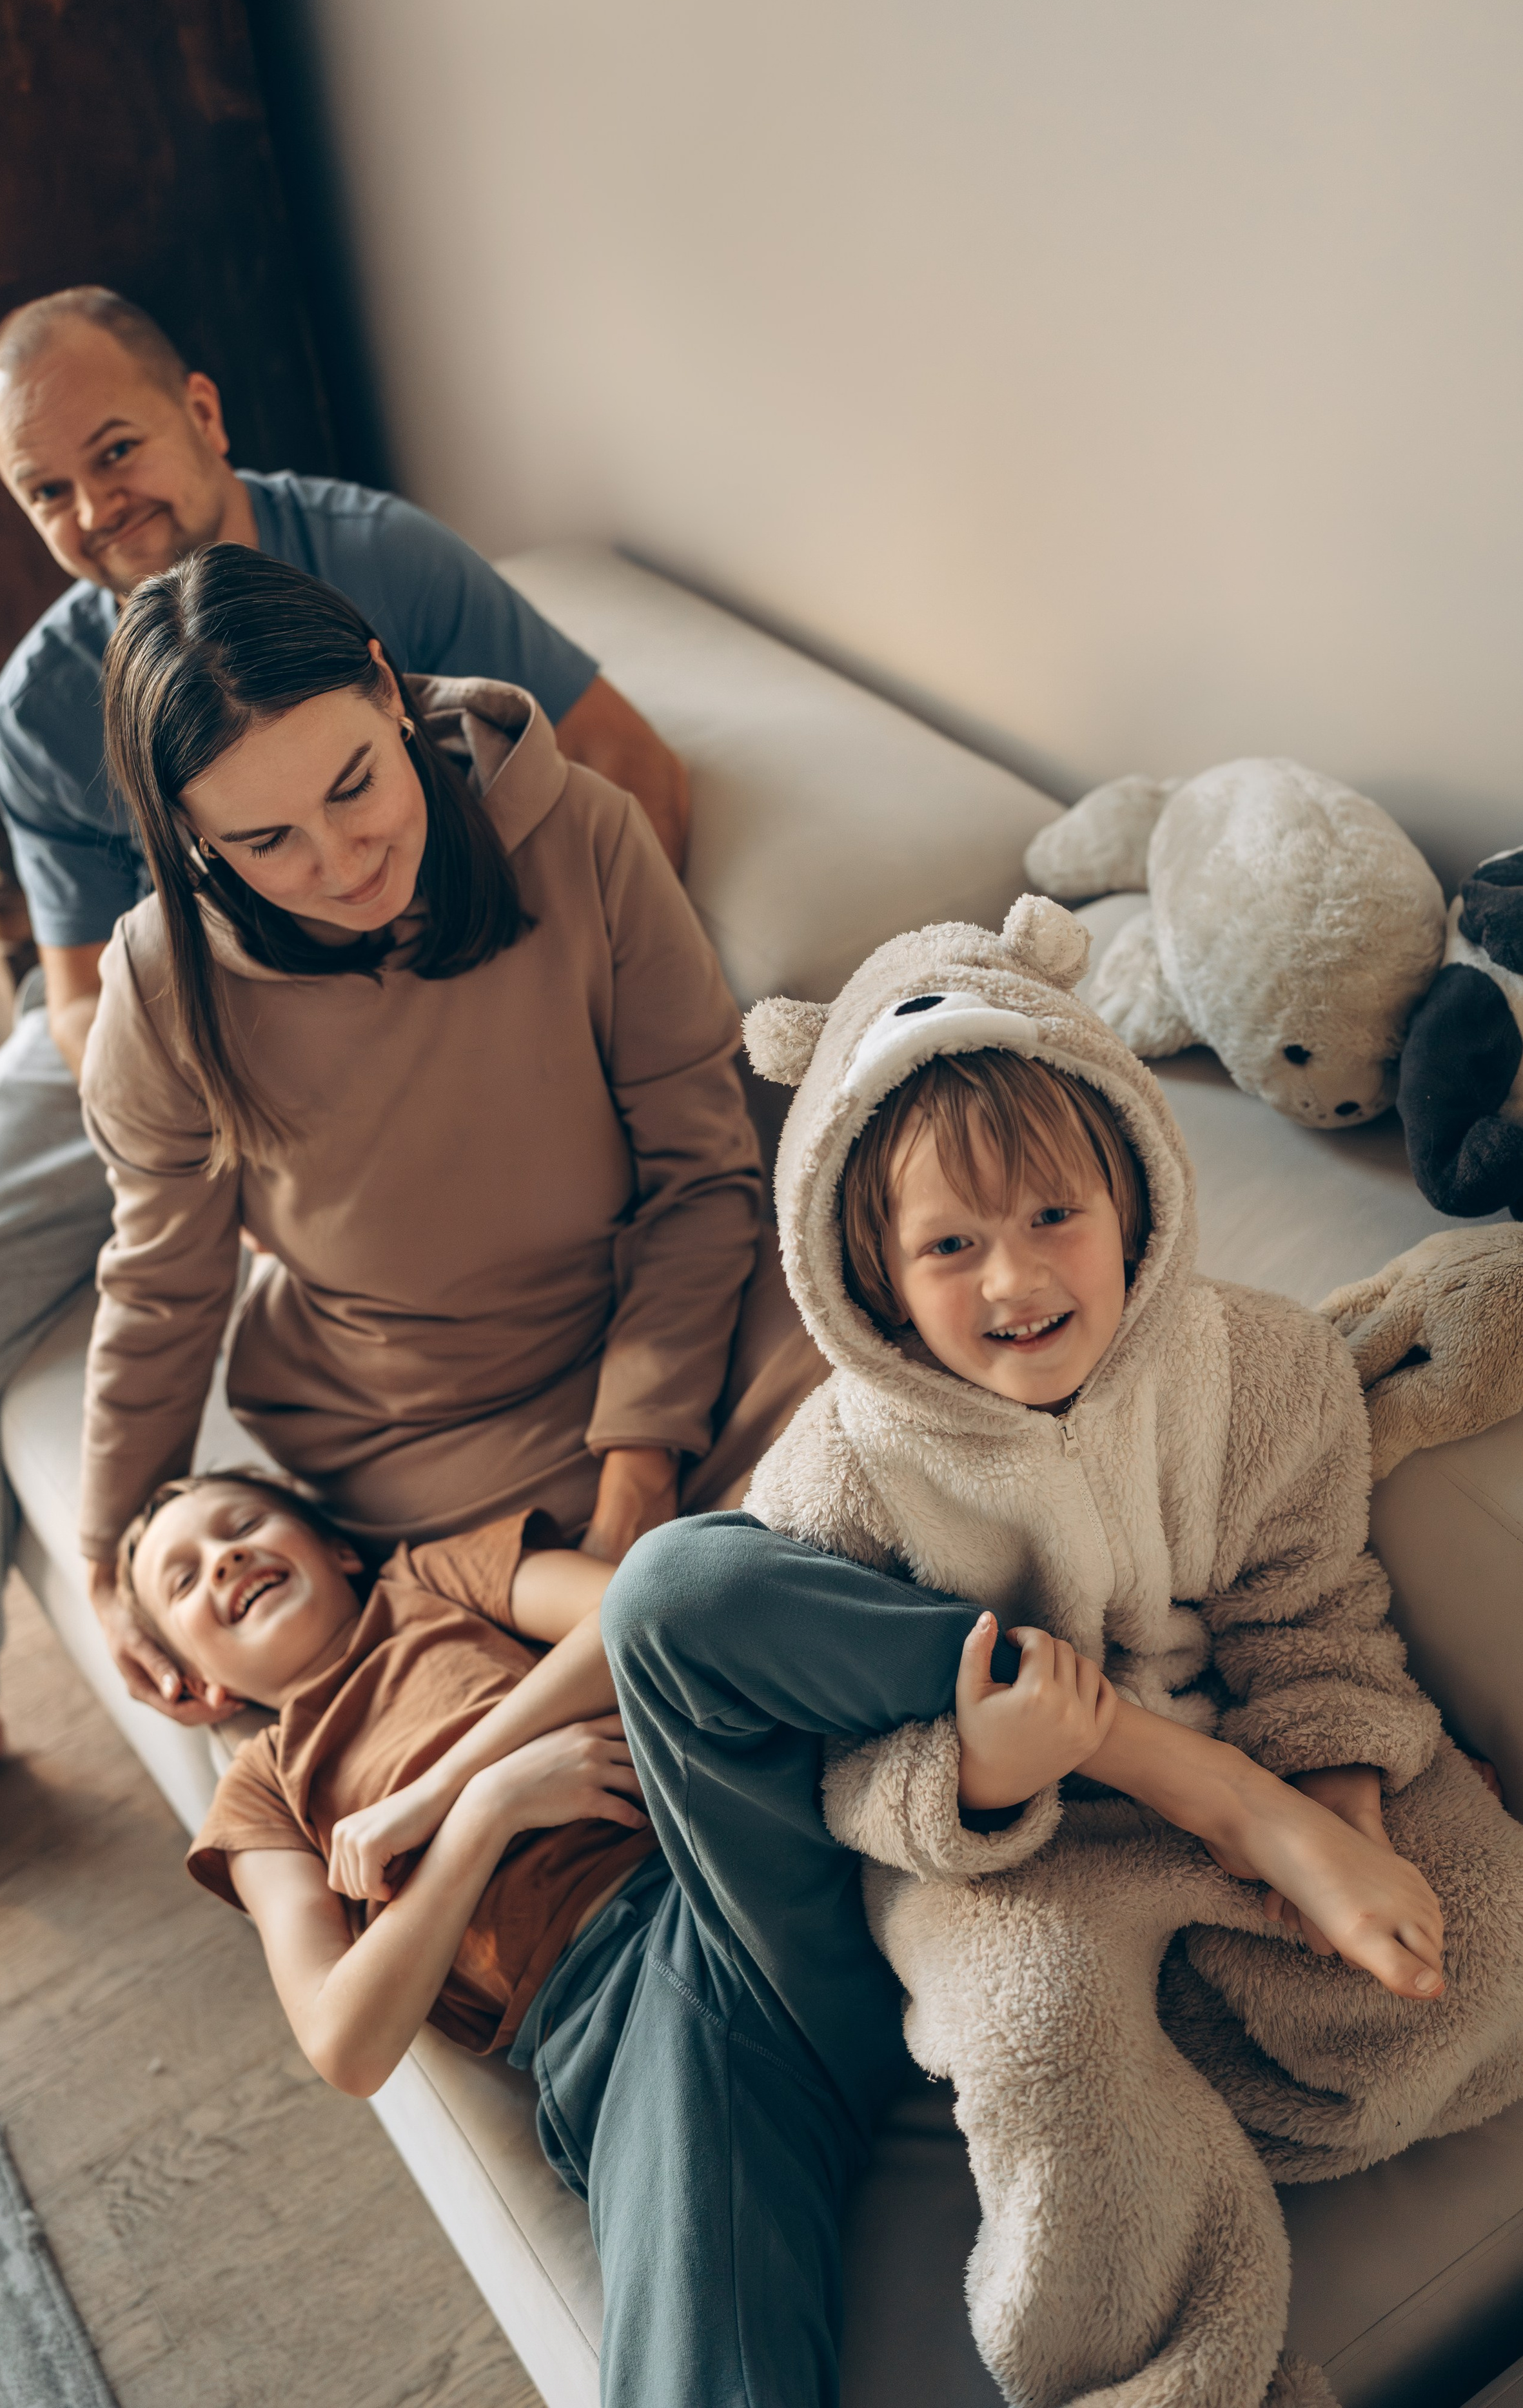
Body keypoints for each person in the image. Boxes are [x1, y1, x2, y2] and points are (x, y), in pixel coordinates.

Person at [610, 905, 1521, 2402]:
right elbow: (841, 1765)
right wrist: (975, 1771)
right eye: (948, 1247)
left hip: (1245, 1762)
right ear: (870, 1271)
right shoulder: (836, 1475)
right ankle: (1164, 2363)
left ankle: (1195, 2096)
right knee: (1043, 2044)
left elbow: (1312, 1606)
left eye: (1052, 1218)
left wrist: (1340, 1803)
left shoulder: (1261, 1370)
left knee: (1469, 1947)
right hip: (1006, 1856)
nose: (1012, 1278)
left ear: (1131, 1193)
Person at [0, 284, 690, 1858]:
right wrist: (237, 1137)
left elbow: (624, 774)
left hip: (434, 950)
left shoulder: (380, 563)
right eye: (47, 491)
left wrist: (510, 993)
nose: (97, 508)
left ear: (204, 411)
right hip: (164, 1016)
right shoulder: (46, 707)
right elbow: (78, 1004)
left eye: (115, 452)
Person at [130, 1463, 1449, 2408]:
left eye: (240, 1523)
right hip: (617, 2033)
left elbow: (633, 1615)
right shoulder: (265, 1797)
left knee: (677, 1577)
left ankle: (1207, 1786)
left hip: (742, 1867)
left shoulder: (431, 1581)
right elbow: (346, 2041)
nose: (225, 1560)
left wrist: (447, 1771)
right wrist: (478, 1821)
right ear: (190, 1689)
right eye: (182, 1579)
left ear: (333, 1546)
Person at [70, 543, 820, 1700]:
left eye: (354, 785)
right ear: (192, 834)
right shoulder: (162, 989)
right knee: (714, 1645)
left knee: (888, 1413)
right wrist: (107, 1550)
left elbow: (702, 1172)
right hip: (418, 1429)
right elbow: (164, 1284)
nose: (341, 862)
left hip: (678, 1318)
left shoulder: (587, 835)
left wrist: (641, 1458)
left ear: (386, 690)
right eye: (266, 841)